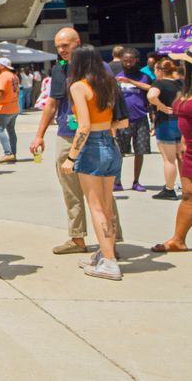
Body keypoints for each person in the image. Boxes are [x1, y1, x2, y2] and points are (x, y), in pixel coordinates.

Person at [29, 27, 123, 255]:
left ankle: (110, 243)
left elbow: (113, 105)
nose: (61, 50)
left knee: (102, 195)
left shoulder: (101, 69)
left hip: (94, 137)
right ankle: (77, 237)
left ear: (78, 43)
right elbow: (52, 103)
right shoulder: (59, 70)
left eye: (65, 45)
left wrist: (109, 134)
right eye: (58, 46)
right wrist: (39, 134)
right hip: (66, 134)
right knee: (70, 190)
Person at [60, 45, 123, 280]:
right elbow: (119, 119)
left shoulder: (78, 86)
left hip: (92, 147)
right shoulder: (107, 83)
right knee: (106, 207)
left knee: (96, 207)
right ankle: (107, 253)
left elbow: (83, 126)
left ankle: (109, 261)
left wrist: (71, 157)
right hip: (110, 143)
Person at [152, 46, 192, 253]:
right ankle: (178, 240)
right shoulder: (187, 87)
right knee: (189, 195)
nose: (181, 67)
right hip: (190, 150)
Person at [113, 47, 152, 192]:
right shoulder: (117, 76)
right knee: (120, 152)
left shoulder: (144, 77)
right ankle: (117, 181)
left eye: (130, 61)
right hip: (122, 119)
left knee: (139, 152)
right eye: (125, 61)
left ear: (136, 60)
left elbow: (150, 89)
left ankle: (136, 181)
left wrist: (129, 81)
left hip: (141, 118)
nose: (128, 64)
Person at [147, 57, 183, 200]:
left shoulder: (159, 83)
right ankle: (187, 187)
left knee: (169, 160)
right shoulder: (181, 82)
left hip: (166, 123)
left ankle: (169, 189)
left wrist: (161, 106)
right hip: (181, 121)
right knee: (182, 158)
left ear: (160, 71)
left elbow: (151, 95)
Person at [0, 57, 20, 164]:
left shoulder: (3, 77)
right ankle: (13, 153)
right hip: (14, 107)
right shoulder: (14, 76)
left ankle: (8, 153)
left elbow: (1, 92)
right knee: (11, 130)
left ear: (2, 66)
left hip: (3, 108)